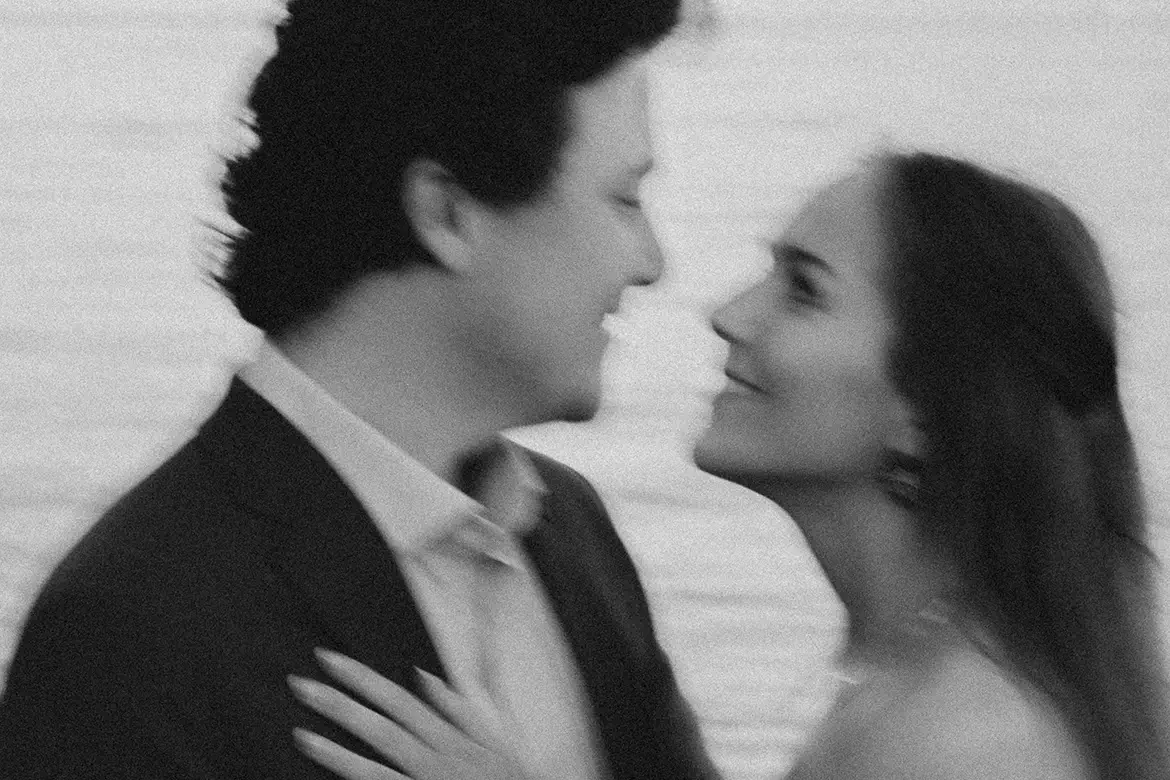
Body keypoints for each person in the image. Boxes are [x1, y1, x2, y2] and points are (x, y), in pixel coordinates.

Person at [0, 1, 722, 779]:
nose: (651, 264)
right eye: (624, 198)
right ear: (447, 213)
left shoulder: (573, 533)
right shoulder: (132, 628)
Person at [289, 152, 1170, 780]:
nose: (730, 314)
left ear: (929, 409)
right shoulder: (935, 677)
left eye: (804, 290)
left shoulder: (959, 741)